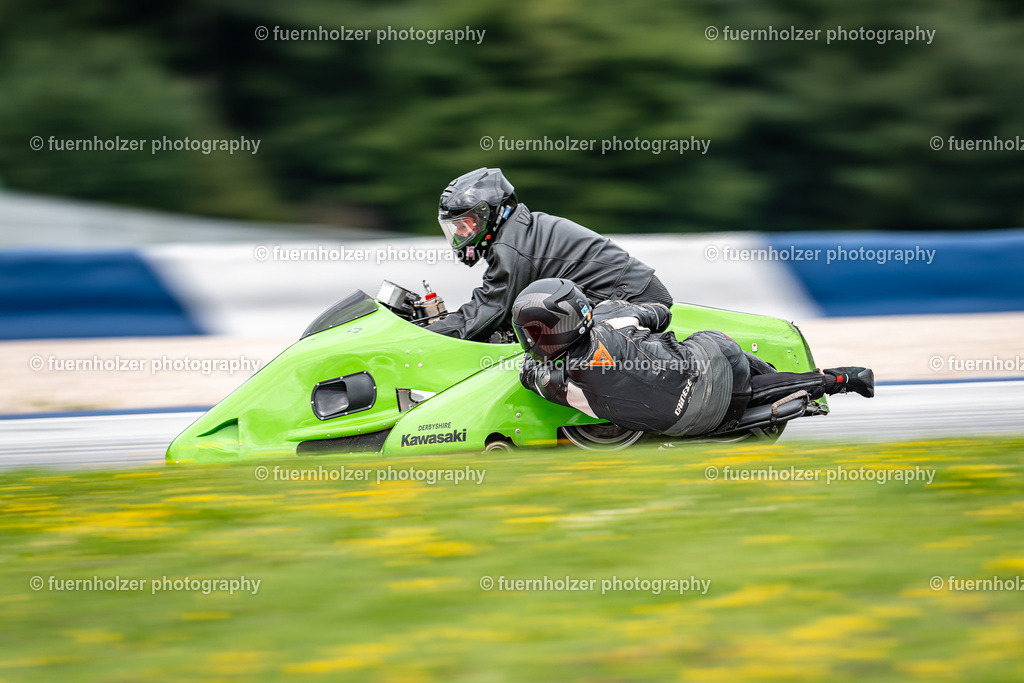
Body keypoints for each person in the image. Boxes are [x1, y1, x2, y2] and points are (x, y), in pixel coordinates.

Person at [512, 278, 874, 437]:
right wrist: (628, 313)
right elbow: (661, 312)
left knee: (728, 384)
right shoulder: (611, 319)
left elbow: (528, 373)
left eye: (538, 331)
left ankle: (819, 383)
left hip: (679, 425)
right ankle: (838, 379)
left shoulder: (557, 380)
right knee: (723, 356)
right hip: (713, 365)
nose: (535, 340)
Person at [429, 167, 672, 341]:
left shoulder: (510, 247)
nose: (461, 235)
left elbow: (482, 316)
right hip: (628, 293)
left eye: (465, 226)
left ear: (487, 215)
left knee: (562, 354)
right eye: (456, 228)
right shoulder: (520, 230)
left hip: (633, 300)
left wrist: (421, 333)